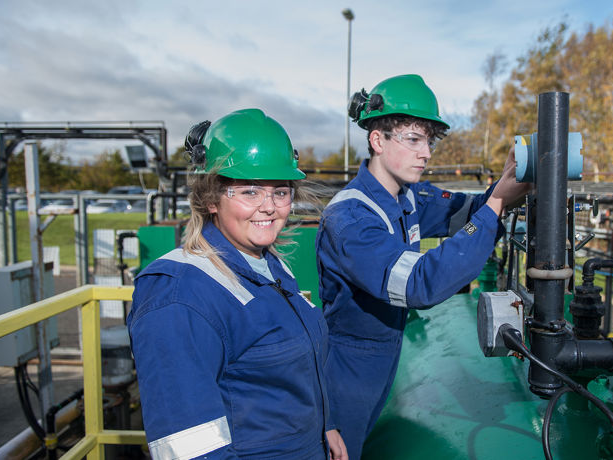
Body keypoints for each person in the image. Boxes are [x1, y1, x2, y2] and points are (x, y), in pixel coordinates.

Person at [316, 74, 531, 458]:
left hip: (385, 356)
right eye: (413, 139)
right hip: (349, 368)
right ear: (377, 140)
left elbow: (469, 211)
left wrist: (505, 185)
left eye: (428, 140)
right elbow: (419, 283)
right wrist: (497, 204)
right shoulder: (350, 218)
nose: (427, 153)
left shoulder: (408, 195)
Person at [128, 108, 346, 459]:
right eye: (249, 191)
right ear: (211, 198)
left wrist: (325, 425)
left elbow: (285, 375)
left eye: (280, 191)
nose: (270, 207)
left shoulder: (266, 264)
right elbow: (190, 448)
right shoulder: (178, 297)